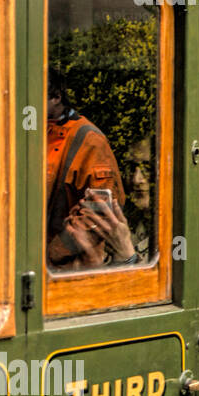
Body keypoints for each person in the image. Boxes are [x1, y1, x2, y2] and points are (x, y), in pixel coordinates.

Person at [45, 71, 133, 269]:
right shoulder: (30, 132)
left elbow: (101, 212)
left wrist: (54, 253)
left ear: (56, 97)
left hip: (68, 269)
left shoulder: (88, 140)